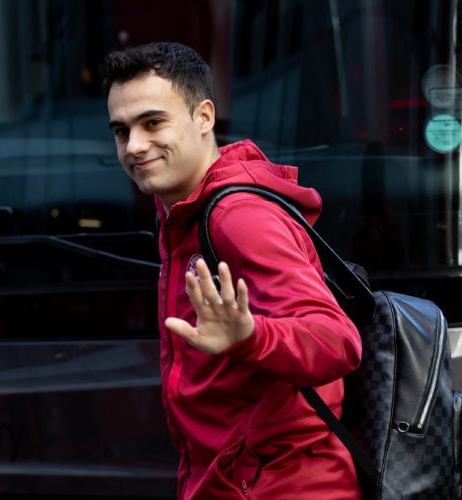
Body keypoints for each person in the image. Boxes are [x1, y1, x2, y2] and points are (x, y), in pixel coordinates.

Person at [101, 41, 363, 500]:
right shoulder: (183, 213)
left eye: (153, 122)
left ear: (204, 117)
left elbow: (337, 339)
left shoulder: (235, 216)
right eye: (122, 131)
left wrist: (249, 336)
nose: (135, 146)